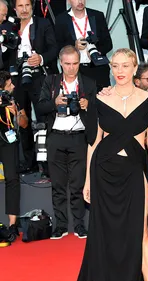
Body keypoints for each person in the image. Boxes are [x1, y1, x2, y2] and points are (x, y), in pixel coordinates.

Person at [42, 48, 148, 281]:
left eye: (125, 65)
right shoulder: (100, 99)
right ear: (110, 68)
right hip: (103, 171)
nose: (120, 71)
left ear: (135, 68)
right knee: (105, 232)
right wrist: (87, 180)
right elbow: (93, 142)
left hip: (134, 171)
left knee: (141, 231)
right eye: (115, 66)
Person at [37, 45, 96, 240]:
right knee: (58, 185)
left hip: (79, 137)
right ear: (60, 63)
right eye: (67, 64)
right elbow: (40, 107)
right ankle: (60, 226)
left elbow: (99, 110)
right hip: (56, 136)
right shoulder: (50, 81)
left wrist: (88, 105)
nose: (71, 68)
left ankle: (80, 225)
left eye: (75, 64)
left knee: (78, 184)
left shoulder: (88, 83)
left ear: (80, 63)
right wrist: (55, 103)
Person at [11, 0, 58, 173]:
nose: (24, 10)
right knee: (23, 120)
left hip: (39, 78)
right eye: (20, 6)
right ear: (15, 9)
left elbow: (54, 49)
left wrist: (41, 58)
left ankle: (47, 165)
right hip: (16, 80)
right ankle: (29, 163)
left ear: (32, 7)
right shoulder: (9, 26)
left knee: (44, 120)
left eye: (27, 6)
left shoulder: (43, 23)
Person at [54, 0, 113, 93]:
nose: (80, 1)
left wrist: (98, 52)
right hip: (76, 71)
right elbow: (58, 48)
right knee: (79, 104)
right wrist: (74, 46)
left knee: (103, 103)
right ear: (69, 1)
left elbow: (108, 44)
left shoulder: (97, 16)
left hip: (98, 69)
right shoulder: (61, 19)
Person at [0, 70, 27, 241]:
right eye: (10, 84)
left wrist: (16, 113)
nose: (14, 86)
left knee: (12, 178)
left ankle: (12, 224)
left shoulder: (13, 100)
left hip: (8, 141)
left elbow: (24, 124)